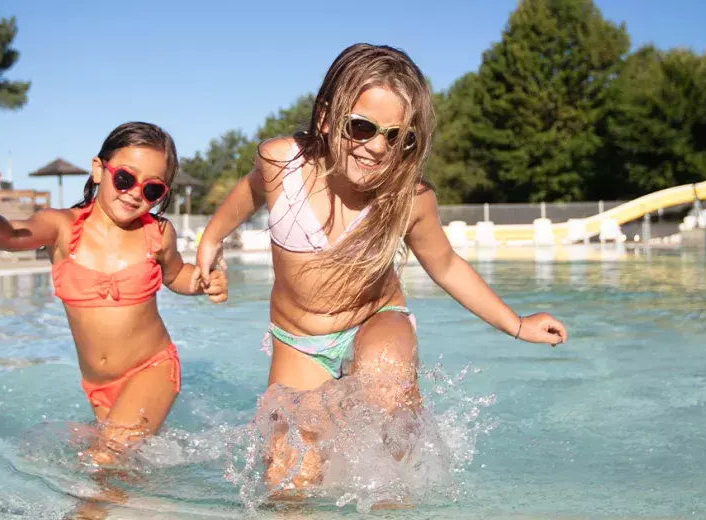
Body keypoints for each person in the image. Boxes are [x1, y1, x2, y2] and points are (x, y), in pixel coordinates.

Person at [196, 43, 567, 490]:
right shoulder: (282, 163)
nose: (377, 147)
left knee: (386, 413)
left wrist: (516, 324)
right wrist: (211, 239)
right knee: (287, 478)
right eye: (362, 127)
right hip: (299, 342)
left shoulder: (409, 199)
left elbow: (446, 265)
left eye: (396, 136)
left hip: (375, 318)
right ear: (327, 118)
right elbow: (249, 192)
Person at [0, 121, 228, 463]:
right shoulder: (62, 227)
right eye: (125, 178)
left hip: (151, 368)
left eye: (152, 190)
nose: (135, 192)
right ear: (98, 170)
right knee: (121, 472)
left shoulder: (158, 233)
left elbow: (176, 274)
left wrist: (202, 281)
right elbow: (10, 235)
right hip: (97, 385)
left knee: (104, 459)